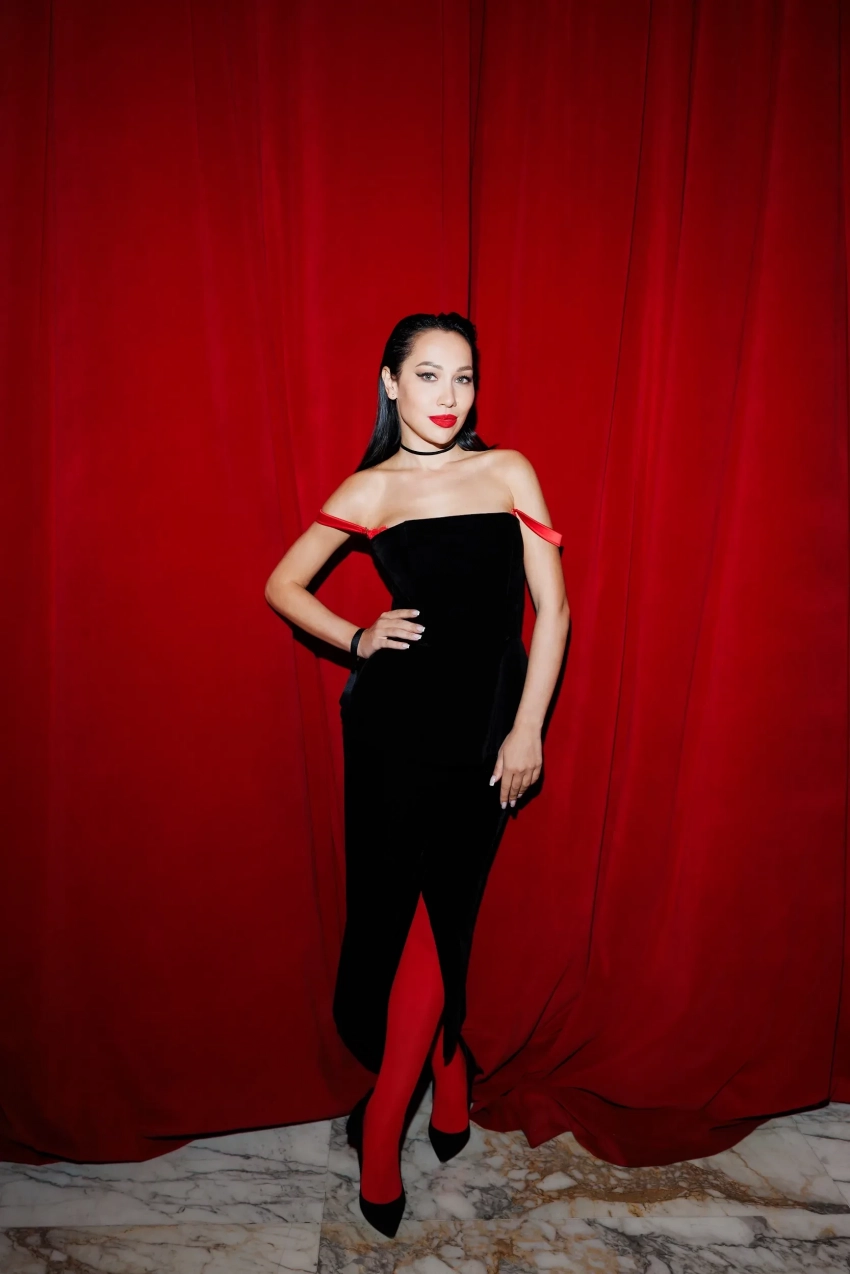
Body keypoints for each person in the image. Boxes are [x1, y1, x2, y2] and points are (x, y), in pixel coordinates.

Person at [264, 311, 569, 1237]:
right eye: (428, 375)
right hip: (392, 730)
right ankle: (421, 1090)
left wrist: (528, 728)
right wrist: (357, 637)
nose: (448, 396)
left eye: (463, 377)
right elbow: (282, 585)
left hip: (486, 731)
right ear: (391, 382)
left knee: (448, 916)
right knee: (399, 921)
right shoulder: (371, 488)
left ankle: (403, 1102)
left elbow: (552, 610)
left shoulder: (508, 469)